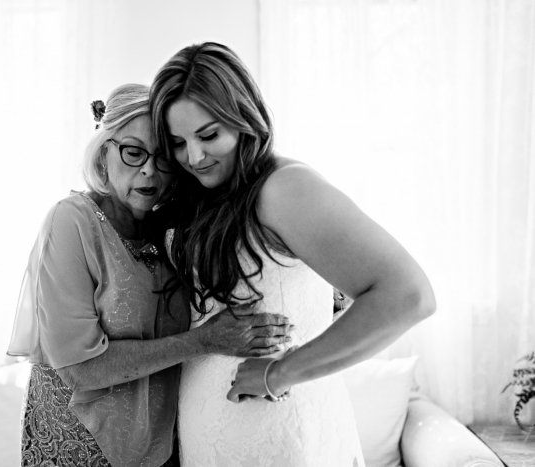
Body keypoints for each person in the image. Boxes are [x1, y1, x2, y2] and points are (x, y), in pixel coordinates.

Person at [150, 42, 437, 467]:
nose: (193, 157)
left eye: (209, 135)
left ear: (244, 118)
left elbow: (409, 295)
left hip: (281, 439)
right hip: (210, 442)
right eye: (178, 142)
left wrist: (279, 372)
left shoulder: (284, 188)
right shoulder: (207, 196)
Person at [6, 83, 293, 467]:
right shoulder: (72, 221)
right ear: (103, 150)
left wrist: (304, 281)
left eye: (163, 158)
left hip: (165, 447)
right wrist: (205, 340)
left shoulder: (173, 230)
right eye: (133, 152)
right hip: (78, 446)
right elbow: (82, 368)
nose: (148, 170)